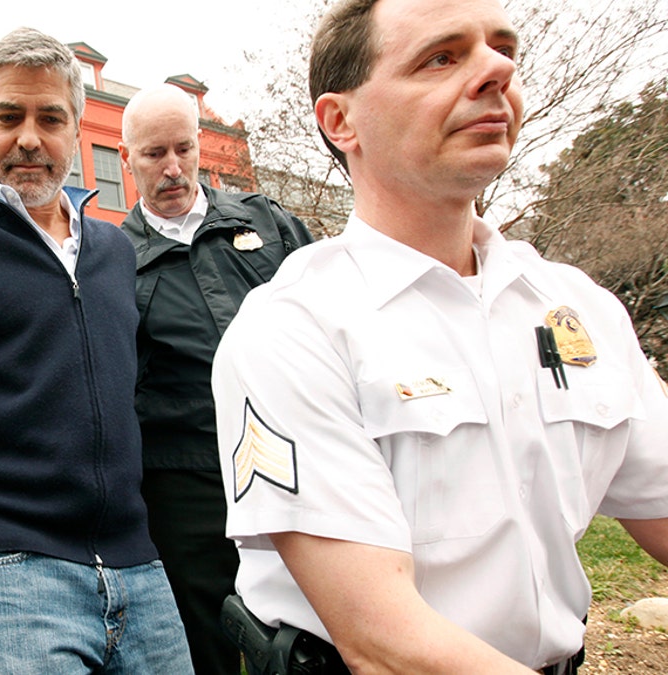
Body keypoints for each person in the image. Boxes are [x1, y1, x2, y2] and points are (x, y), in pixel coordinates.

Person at [211, 1, 668, 673]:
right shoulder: (295, 327)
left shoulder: (577, 306)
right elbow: (385, 643)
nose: (498, 70)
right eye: (442, 58)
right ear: (341, 121)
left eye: (502, 48)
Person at [0, 27, 192, 673]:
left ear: (75, 129)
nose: (28, 137)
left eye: (50, 118)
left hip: (135, 566)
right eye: (9, 116)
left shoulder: (114, 252)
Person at [117, 83, 313, 675]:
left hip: (294, 463)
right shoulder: (110, 260)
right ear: (127, 160)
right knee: (207, 640)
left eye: (183, 148)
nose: (172, 169)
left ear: (200, 144)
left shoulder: (268, 224)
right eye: (154, 155)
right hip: (184, 484)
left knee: (312, 627)